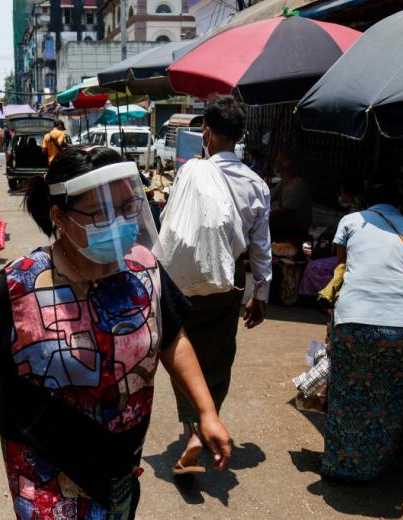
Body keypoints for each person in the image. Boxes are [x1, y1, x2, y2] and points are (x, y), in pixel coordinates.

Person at [0, 147, 231, 519]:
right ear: (61, 218)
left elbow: (173, 340)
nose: (120, 222)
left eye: (128, 208)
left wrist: (206, 411)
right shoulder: (20, 285)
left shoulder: (144, 270)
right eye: (102, 213)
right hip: (46, 468)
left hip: (120, 458)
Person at [161, 95, 272, 474]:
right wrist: (261, 294)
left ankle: (192, 429)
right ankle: (208, 424)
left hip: (182, 283)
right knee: (218, 356)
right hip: (229, 283)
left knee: (181, 350)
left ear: (205, 132)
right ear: (240, 135)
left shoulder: (190, 172)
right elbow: (261, 248)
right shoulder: (256, 184)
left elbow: (171, 225)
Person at [322, 182, 403, 482]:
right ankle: (375, 467)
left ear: (367, 202)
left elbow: (340, 274)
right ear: (399, 205)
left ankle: (338, 466)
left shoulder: (351, 221)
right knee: (388, 399)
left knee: (346, 393)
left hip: (353, 321)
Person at [298, 179, 364, 297]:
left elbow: (342, 252)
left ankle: (330, 296)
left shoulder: (353, 216)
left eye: (342, 193)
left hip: (349, 258)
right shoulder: (354, 212)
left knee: (313, 267)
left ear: (348, 195)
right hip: (346, 256)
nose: (340, 196)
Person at [269, 152, 313, 239]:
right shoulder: (282, 184)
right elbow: (269, 197)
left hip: (299, 225)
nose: (275, 165)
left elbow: (286, 210)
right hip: (287, 220)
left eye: (277, 163)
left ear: (284, 166)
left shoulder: (297, 185)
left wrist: (268, 215)